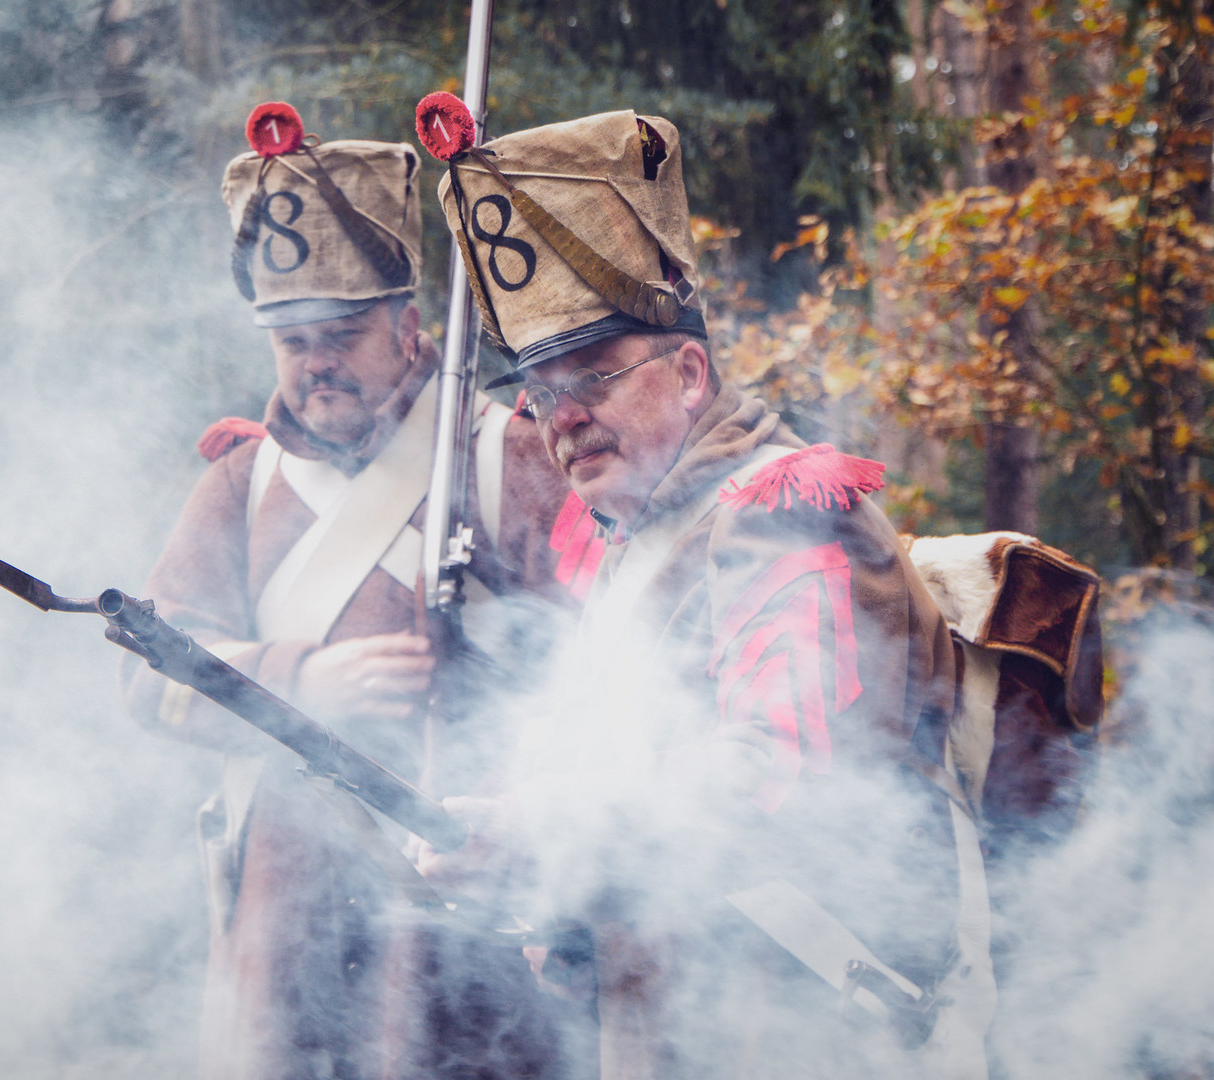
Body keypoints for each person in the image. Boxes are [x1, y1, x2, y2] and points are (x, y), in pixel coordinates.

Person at [412, 102, 994, 1079]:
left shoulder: (778, 508)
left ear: (688, 372)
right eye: (545, 393)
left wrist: (552, 828)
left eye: (594, 376)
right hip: (691, 1015)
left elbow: (773, 780)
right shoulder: (633, 540)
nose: (565, 419)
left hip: (805, 1027)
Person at [124, 103, 583, 1080]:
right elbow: (149, 678)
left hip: (476, 943)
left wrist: (532, 805)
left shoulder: (509, 457)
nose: (315, 362)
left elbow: (599, 677)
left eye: (339, 332)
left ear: (408, 325)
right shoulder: (238, 486)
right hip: (283, 935)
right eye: (291, 341)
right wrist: (300, 680)